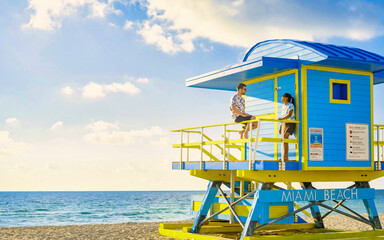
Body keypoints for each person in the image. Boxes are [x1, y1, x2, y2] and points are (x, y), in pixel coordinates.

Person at [278, 93, 296, 161]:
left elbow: (289, 115)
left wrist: (282, 120)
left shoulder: (291, 105)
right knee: (283, 139)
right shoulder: (283, 106)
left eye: (283, 96)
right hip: (285, 123)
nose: (282, 97)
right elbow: (283, 116)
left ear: (286, 98)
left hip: (291, 123)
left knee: (285, 137)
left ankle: (285, 156)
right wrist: (281, 126)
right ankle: (285, 156)